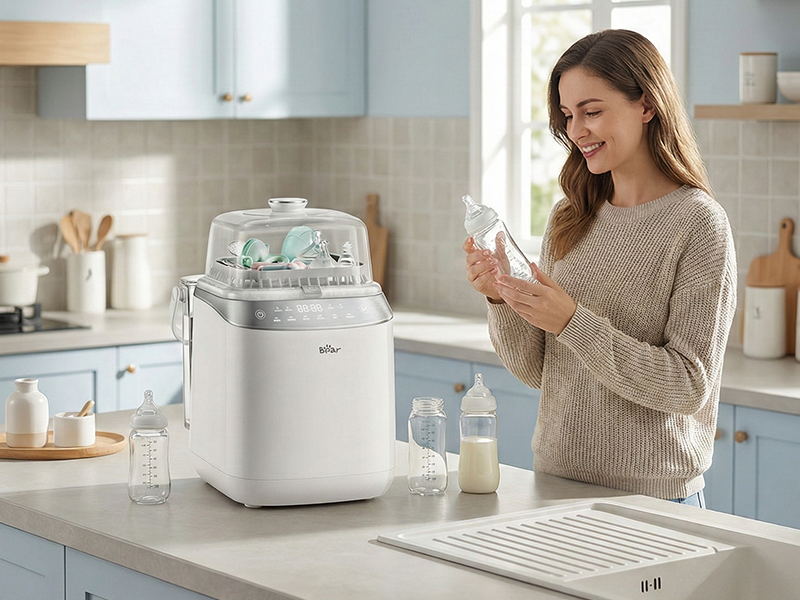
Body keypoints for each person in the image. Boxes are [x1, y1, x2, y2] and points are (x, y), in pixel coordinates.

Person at [463, 29, 736, 507]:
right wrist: (501, 297)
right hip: (554, 486)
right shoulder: (571, 216)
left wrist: (573, 322)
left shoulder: (697, 223)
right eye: (568, 116)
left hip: (654, 501)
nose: (576, 131)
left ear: (647, 105)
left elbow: (688, 385)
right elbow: (539, 370)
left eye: (592, 112)